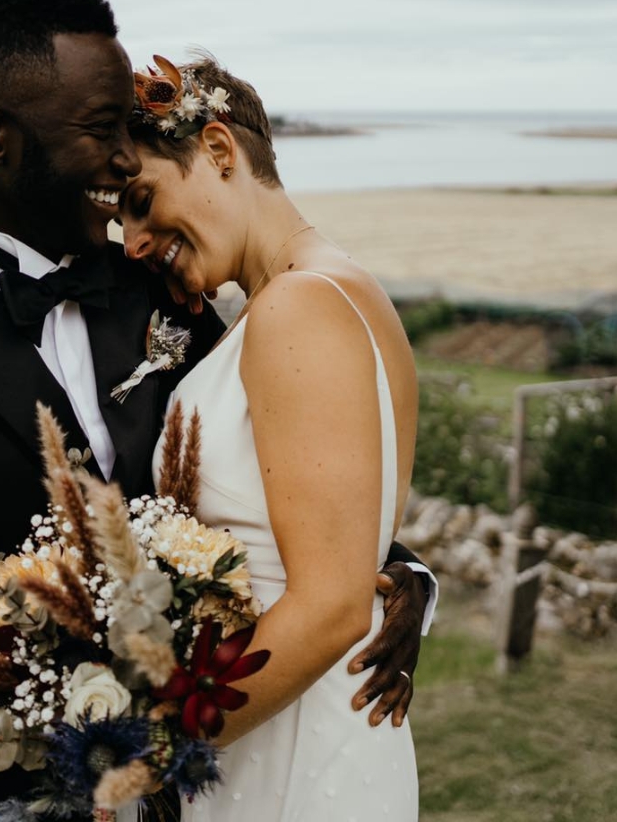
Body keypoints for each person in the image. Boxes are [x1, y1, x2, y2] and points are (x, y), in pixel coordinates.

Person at [0, 0, 433, 820]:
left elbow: (298, 490)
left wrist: (395, 573)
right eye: (101, 131)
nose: (125, 158)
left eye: (133, 134)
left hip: (218, 773)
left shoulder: (177, 296)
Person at [119, 54, 424, 819]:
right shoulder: (340, 289)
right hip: (294, 727)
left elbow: (330, 605)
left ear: (219, 151)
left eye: (142, 199)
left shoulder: (298, 308)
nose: (132, 241)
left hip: (290, 754)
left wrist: (153, 744)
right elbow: (357, 551)